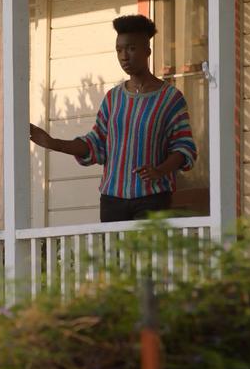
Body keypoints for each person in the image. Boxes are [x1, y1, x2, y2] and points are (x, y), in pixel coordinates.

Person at [29, 14, 198, 222]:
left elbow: (184, 148)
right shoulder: (113, 98)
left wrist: (159, 170)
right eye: (119, 50)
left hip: (153, 199)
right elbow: (95, 145)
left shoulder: (170, 99)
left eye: (131, 48)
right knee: (112, 256)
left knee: (146, 256)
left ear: (147, 51)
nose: (124, 56)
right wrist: (53, 143)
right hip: (111, 201)